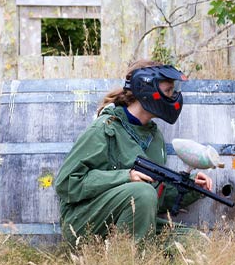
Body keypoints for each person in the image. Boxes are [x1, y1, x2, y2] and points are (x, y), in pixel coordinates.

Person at [54, 59, 212, 246]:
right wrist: (126, 176)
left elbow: (154, 199)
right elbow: (67, 183)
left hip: (134, 223)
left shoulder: (154, 137)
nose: (174, 97)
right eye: (168, 91)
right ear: (145, 89)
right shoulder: (105, 128)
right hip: (86, 223)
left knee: (195, 242)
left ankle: (142, 264)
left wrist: (192, 187)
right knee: (142, 192)